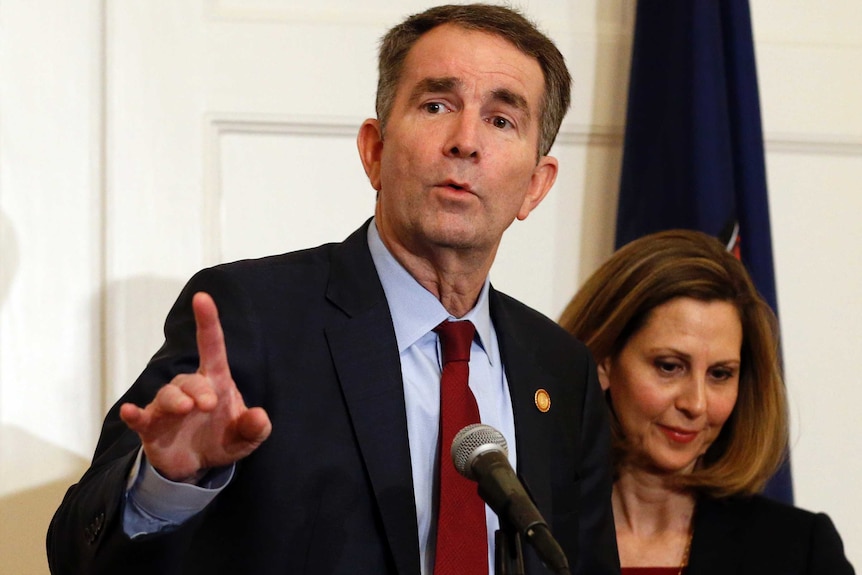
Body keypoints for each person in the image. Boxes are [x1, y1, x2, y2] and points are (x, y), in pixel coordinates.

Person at [47, 4, 619, 575]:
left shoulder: (562, 371)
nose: (465, 141)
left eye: (501, 120)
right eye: (436, 105)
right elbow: (76, 556)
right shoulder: (253, 318)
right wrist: (167, 483)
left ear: (536, 188)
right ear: (374, 150)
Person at [558, 229, 855, 574]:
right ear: (602, 363)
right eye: (669, 367)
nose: (696, 404)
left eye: (720, 374)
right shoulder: (529, 533)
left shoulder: (799, 549)